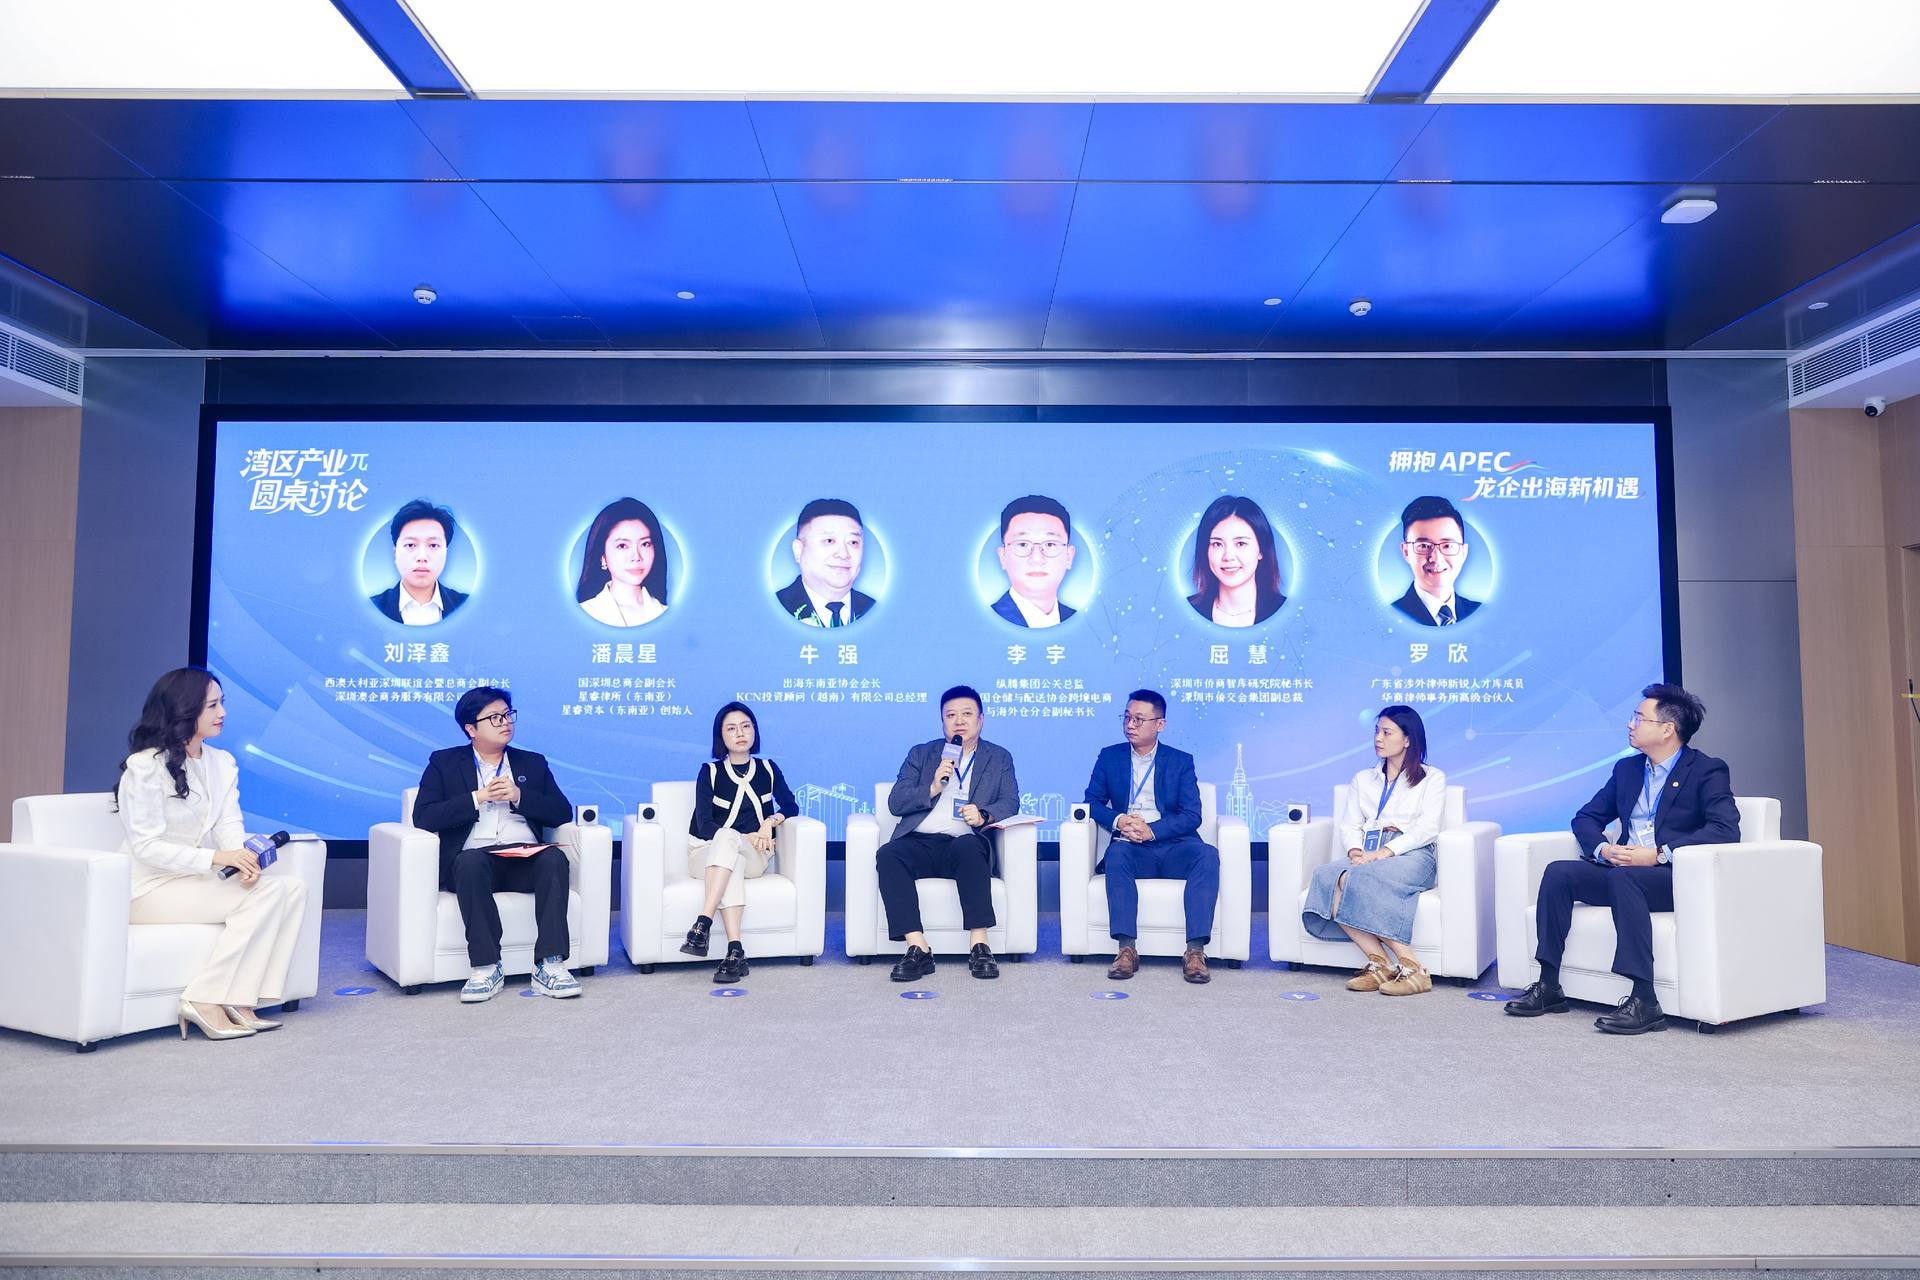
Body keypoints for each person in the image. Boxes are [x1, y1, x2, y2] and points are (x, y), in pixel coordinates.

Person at [1507, 684, 1739, 1034]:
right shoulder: (1628, 770)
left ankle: (1645, 1000)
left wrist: (1658, 854)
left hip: (1673, 877)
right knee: (1559, 873)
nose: (1630, 724)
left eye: (1639, 718)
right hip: (1623, 873)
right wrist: (1604, 849)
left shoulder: (1706, 770)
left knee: (1624, 878)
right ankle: (1549, 985)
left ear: (1667, 729)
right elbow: (1586, 818)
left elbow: (1725, 829)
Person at [114, 668, 309, 1040]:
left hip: (191, 881)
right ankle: (205, 998)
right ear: (185, 710)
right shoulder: (144, 767)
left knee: (294, 888)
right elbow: (146, 846)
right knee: (270, 893)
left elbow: (228, 824)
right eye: (213, 706)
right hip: (146, 889)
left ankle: (242, 999)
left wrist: (243, 859)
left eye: (222, 703)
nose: (223, 713)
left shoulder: (221, 763)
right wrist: (218, 859)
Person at [411, 687, 582, 1002]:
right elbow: (423, 817)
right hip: (476, 861)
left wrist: (519, 796)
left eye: (507, 715)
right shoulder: (444, 763)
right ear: (471, 729)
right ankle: (486, 967)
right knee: (469, 862)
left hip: (525, 857)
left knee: (554, 859)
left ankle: (550, 965)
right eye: (494, 718)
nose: (505, 723)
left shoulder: (532, 763)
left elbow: (561, 812)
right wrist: (478, 798)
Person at [1301, 705, 1448, 997]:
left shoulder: (1432, 778)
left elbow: (1427, 828)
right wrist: (1356, 850)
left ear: (1407, 739)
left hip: (1414, 854)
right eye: (1377, 731)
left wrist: (1386, 851)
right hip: (1368, 852)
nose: (1378, 738)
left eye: (1387, 732)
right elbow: (1350, 825)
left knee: (1358, 878)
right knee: (1327, 875)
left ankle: (1414, 968)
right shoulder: (1363, 779)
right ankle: (1379, 963)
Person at [875, 685, 1019, 981]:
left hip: (963, 843)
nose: (959, 721)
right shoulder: (922, 754)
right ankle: (918, 948)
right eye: (951, 716)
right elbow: (896, 801)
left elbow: (1010, 801)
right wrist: (932, 787)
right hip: (919, 842)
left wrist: (984, 814)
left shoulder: (999, 757)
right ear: (943, 722)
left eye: (967, 714)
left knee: (969, 847)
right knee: (888, 854)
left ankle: (979, 946)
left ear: (981, 719)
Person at [1083, 689, 1220, 984]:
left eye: (1139, 719)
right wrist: (1120, 821)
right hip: (1131, 846)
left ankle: (1195, 952)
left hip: (1174, 846)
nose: (1130, 725)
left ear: (1160, 724)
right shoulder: (1110, 757)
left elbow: (1192, 815)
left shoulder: (1180, 761)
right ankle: (1126, 949)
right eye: (1127, 717)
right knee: (1116, 854)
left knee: (1207, 854)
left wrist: (1152, 830)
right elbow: (1091, 802)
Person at [679, 702, 799, 983]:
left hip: (754, 856)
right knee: (728, 850)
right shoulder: (709, 772)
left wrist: (770, 822)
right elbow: (705, 825)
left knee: (732, 853)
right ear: (721, 736)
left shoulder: (768, 768)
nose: (740, 733)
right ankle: (735, 952)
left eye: (746, 726)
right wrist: (741, 837)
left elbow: (791, 805)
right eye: (731, 729)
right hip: (705, 854)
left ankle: (702, 923)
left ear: (754, 731)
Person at [1187, 495, 1285, 627]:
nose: (1228, 556)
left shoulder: (1285, 611)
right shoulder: (1186, 611)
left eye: (1240, 544)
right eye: (1217, 544)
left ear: (1261, 550)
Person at [776, 498, 875, 627]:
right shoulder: (776, 607)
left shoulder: (873, 609)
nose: (843, 554)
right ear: (798, 550)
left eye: (853, 542)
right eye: (829, 541)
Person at [371, 499, 468, 625]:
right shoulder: (372, 608)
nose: (422, 557)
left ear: (446, 552)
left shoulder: (466, 606)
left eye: (433, 545)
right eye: (410, 545)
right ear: (395, 553)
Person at [577, 498, 669, 627]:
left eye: (645, 544)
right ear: (602, 556)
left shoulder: (665, 613)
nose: (636, 557)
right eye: (622, 546)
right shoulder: (585, 612)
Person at [1391, 495, 1480, 627]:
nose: (1436, 558)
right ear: (1406, 552)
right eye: (1424, 546)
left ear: (1463, 552)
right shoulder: (1390, 616)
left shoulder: (1480, 613)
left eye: (1447, 545)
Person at [991, 495, 1078, 628]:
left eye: (1050, 544)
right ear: (1003, 556)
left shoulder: (1080, 620)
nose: (1037, 559)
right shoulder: (985, 619)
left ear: (1069, 557)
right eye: (1022, 544)